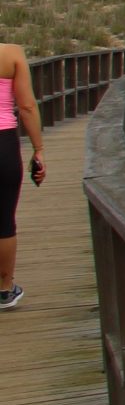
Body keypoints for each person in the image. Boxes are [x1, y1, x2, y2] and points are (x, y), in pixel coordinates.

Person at [1, 42, 46, 311]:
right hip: (3, 144)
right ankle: (4, 290)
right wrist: (38, 149)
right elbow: (27, 106)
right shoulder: (11, 54)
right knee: (4, 219)